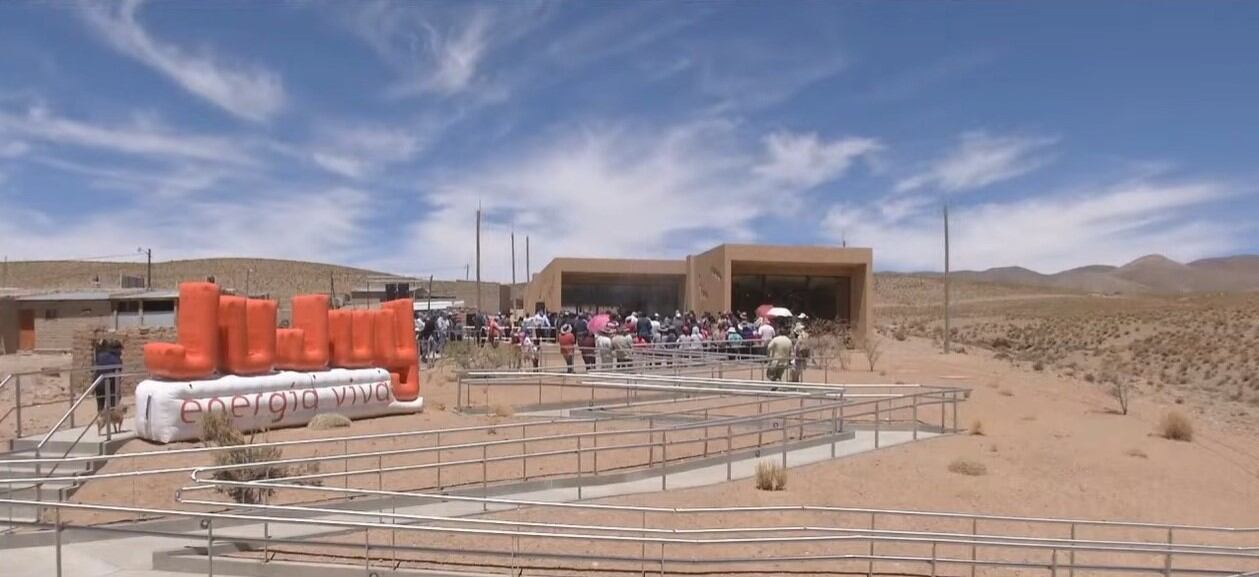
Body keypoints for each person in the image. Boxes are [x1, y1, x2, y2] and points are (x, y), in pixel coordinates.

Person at [93, 338, 122, 416]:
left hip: (98, 383)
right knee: (112, 406)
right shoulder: (117, 359)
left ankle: (100, 422)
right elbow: (118, 373)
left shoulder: (100, 355)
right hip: (110, 385)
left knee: (100, 406)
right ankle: (110, 423)